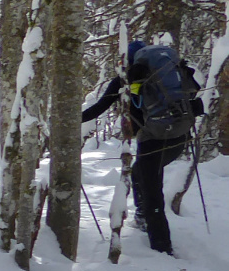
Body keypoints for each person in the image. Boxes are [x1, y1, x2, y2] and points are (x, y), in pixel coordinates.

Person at [82, 39, 203, 256]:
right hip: (179, 137)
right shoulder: (173, 73)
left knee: (152, 192)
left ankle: (162, 247)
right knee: (140, 172)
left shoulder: (128, 78)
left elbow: (99, 107)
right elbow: (194, 96)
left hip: (153, 139)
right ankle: (142, 216)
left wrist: (71, 120)